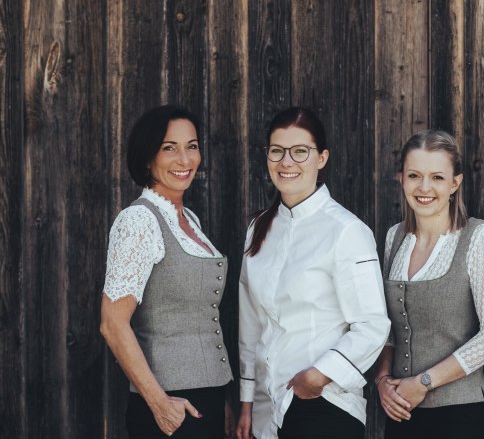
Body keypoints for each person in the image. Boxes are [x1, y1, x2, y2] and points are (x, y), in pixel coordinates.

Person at [236, 107, 390, 439]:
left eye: (300, 151)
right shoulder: (258, 229)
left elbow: (373, 325)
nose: (286, 162)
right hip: (268, 409)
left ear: (321, 158)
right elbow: (250, 324)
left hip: (325, 403)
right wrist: (247, 401)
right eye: (277, 151)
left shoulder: (346, 231)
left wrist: (319, 375)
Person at [100, 105, 234, 439]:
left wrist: (221, 399)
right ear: (148, 158)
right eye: (169, 148)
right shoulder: (139, 221)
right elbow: (112, 324)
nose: (184, 159)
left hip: (209, 399)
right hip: (170, 406)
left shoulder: (190, 220)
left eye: (192, 146)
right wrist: (160, 404)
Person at [375, 130, 484, 439]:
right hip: (402, 415)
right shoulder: (394, 238)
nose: (424, 188)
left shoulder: (476, 237)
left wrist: (423, 382)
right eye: (414, 175)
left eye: (437, 177)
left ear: (455, 183)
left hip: (463, 416)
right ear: (402, 179)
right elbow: (390, 329)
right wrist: (382, 381)